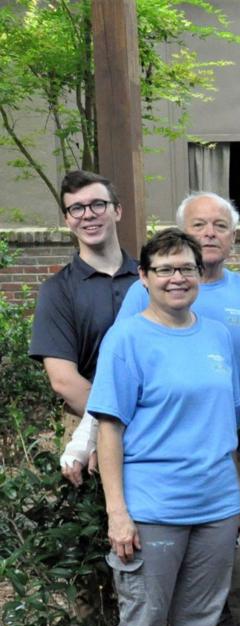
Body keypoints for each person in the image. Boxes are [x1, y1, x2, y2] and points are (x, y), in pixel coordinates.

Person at [88, 228, 240, 626]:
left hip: (216, 504)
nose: (178, 278)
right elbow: (110, 428)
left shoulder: (218, 336)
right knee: (145, 622)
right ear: (145, 278)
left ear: (200, 276)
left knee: (199, 624)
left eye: (187, 268)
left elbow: (223, 424)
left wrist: (236, 494)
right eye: (166, 269)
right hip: (152, 506)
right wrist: (117, 511)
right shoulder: (127, 339)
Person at [112, 192, 240, 626]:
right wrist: (115, 503)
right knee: (152, 610)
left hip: (227, 466)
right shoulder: (139, 318)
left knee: (230, 597)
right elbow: (113, 406)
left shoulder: (238, 304)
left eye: (219, 225)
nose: (209, 233)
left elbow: (234, 398)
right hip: (157, 481)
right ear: (146, 276)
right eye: (198, 224)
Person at [29, 170, 139, 486]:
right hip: (87, 432)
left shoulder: (149, 281)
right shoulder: (58, 290)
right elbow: (64, 381)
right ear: (67, 219)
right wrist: (109, 429)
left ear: (117, 210)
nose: (87, 215)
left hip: (157, 428)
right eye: (76, 208)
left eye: (97, 205)